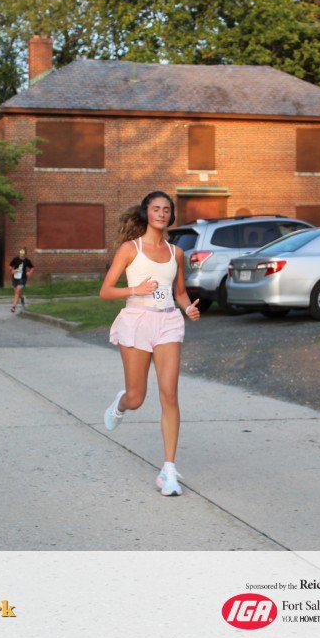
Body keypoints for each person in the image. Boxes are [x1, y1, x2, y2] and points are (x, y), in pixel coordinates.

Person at [99, 191, 200, 496]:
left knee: (169, 395)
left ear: (171, 215)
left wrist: (188, 308)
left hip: (167, 322)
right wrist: (136, 290)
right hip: (137, 322)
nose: (161, 213)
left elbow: (179, 292)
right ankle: (121, 404)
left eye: (166, 209)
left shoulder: (176, 253)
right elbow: (106, 291)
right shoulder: (130, 249)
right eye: (156, 208)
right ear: (146, 213)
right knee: (137, 397)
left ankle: (168, 470)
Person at [9, 247, 35, 313]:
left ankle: (13, 307)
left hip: (23, 278)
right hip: (15, 278)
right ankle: (22, 298)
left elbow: (32, 267)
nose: (21, 254)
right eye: (20, 252)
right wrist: (12, 270)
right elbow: (10, 266)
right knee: (17, 292)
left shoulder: (27, 261)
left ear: (25, 254)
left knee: (17, 291)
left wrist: (29, 272)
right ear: (19, 253)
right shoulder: (15, 259)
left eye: (23, 253)